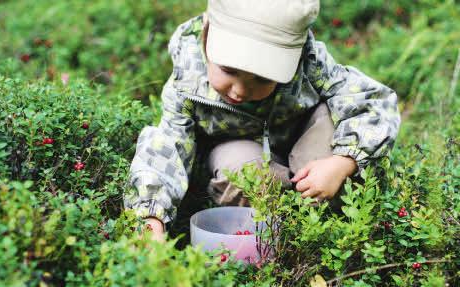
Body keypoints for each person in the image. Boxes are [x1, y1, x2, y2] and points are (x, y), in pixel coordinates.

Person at [124, 0, 401, 241]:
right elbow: (166, 149)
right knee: (243, 173)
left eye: (263, 78)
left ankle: (325, 221)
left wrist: (342, 163)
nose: (241, 90)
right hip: (242, 154)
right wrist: (151, 219)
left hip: (308, 151)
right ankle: (279, 231)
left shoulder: (309, 63)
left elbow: (374, 102)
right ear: (206, 35)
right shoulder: (187, 86)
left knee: (333, 123)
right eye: (229, 70)